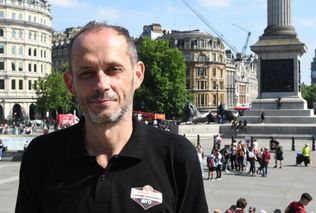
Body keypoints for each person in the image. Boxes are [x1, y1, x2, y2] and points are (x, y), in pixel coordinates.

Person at [15, 22, 208, 213]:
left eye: (114, 69)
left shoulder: (177, 156)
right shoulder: (41, 156)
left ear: (138, 75)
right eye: (87, 73)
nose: (101, 84)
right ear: (70, 83)